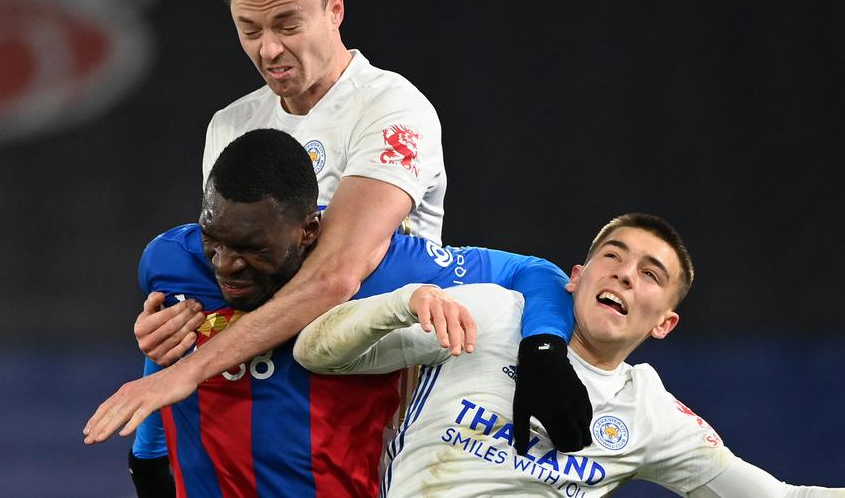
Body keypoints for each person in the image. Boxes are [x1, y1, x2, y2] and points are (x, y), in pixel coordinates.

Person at [87, 0, 592, 463]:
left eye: (287, 24)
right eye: (249, 30)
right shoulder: (230, 126)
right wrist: (178, 323)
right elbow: (237, 271)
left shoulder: (392, 108)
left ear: (335, 9)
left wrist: (189, 370)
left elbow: (337, 274)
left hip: (374, 406)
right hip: (272, 408)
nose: (268, 49)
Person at [96, 128, 583, 496]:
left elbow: (536, 272)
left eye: (250, 248)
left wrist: (544, 350)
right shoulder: (172, 259)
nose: (225, 265)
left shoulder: (385, 268)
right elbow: (167, 357)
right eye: (213, 239)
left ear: (309, 230)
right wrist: (149, 461)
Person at [292, 213, 845, 496]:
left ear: (664, 324)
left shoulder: (647, 413)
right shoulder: (487, 312)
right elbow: (317, 352)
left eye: (650, 276)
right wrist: (402, 303)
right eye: (613, 257)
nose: (626, 275)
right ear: (576, 278)